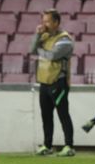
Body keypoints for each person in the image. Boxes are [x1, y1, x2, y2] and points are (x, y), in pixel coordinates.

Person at [31, 9, 75, 156]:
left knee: (63, 114)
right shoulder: (44, 36)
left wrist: (38, 49)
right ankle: (47, 145)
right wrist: (37, 35)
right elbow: (31, 50)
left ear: (56, 22)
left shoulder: (65, 39)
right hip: (44, 81)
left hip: (58, 82)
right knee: (46, 116)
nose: (44, 24)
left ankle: (69, 146)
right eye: (43, 21)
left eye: (48, 21)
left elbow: (52, 56)